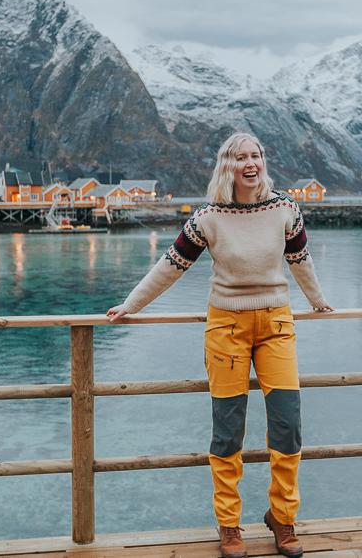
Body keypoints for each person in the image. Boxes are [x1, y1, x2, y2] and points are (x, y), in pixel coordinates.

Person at [107, 132, 333, 558]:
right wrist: (132, 305)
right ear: (226, 165)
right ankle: (229, 526)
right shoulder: (208, 217)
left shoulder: (285, 208)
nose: (251, 163)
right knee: (228, 431)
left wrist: (318, 301)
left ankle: (282, 518)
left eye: (257, 156)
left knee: (288, 425)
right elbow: (169, 267)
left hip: (276, 324)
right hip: (225, 326)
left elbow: (301, 261)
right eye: (241, 157)